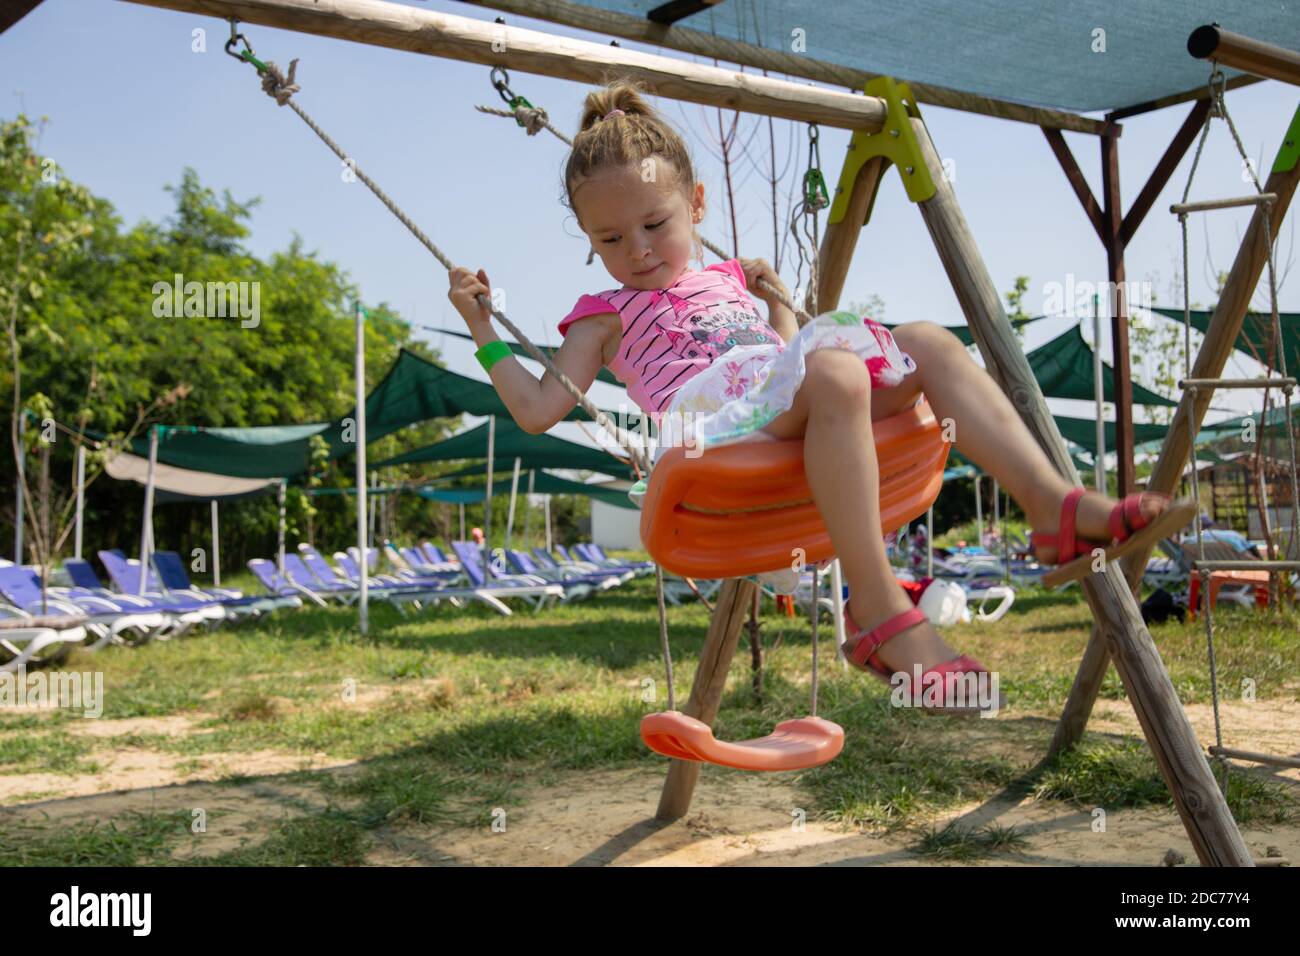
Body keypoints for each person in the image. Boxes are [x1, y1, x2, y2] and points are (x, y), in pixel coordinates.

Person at [447, 79, 1184, 709]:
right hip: (711, 432)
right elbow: (538, 409)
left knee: (928, 338)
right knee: (834, 367)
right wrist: (482, 327)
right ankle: (878, 607)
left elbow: (779, 360)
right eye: (609, 239)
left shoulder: (729, 279)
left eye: (654, 224)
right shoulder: (602, 315)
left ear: (697, 205)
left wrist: (777, 310)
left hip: (780, 399)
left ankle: (1054, 507)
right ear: (586, 237)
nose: (636, 250)